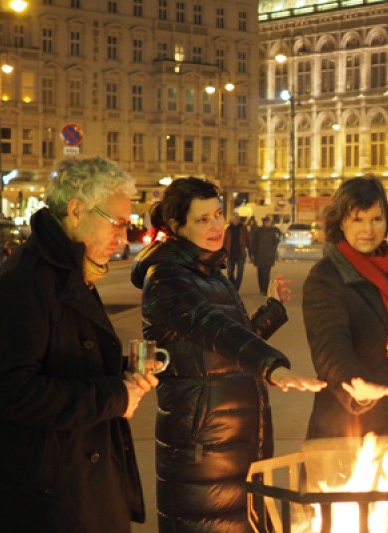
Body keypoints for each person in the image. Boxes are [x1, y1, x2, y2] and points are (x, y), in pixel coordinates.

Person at [0, 156, 157, 532]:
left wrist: (122, 375)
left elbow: (65, 359)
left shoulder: (69, 270)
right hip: (39, 501)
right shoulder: (27, 280)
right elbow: (11, 390)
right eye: (117, 223)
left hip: (68, 487)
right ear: (76, 210)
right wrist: (114, 397)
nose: (123, 238)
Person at [130, 177, 325, 532]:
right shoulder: (166, 280)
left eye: (218, 214)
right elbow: (213, 328)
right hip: (201, 453)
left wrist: (271, 312)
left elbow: (227, 345)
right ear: (178, 227)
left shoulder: (210, 272)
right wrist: (273, 367)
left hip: (235, 442)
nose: (217, 225)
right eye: (203, 219)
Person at [302, 176, 388, 455]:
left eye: (376, 219)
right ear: (341, 223)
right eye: (358, 219)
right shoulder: (326, 277)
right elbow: (329, 346)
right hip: (352, 426)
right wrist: (355, 384)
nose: (368, 229)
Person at [251, 215, 282, 295]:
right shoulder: (258, 231)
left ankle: (265, 289)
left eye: (270, 222)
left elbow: (277, 240)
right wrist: (252, 254)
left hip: (268, 255)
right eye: (268, 222)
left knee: (266, 273)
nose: (269, 223)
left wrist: (273, 251)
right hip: (259, 255)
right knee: (260, 272)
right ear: (264, 222)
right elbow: (254, 243)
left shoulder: (274, 231)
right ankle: (262, 288)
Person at [223, 211, 249, 289]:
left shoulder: (243, 228)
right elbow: (224, 241)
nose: (236, 219)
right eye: (234, 217)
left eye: (237, 217)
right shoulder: (228, 229)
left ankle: (236, 288)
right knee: (230, 273)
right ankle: (233, 285)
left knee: (240, 272)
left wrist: (250, 252)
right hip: (230, 254)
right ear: (232, 219)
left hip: (240, 253)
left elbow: (247, 239)